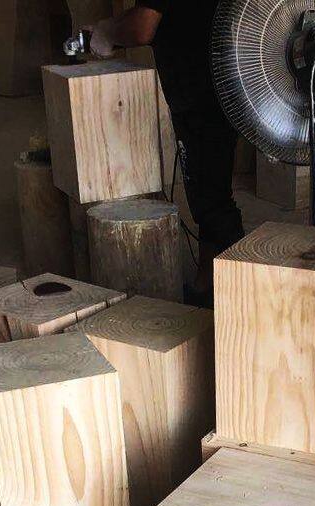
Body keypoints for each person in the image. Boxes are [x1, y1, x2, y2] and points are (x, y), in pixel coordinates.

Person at [89, 1, 244, 306]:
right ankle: (205, 284)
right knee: (209, 193)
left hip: (201, 86)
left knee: (213, 202)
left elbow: (143, 27)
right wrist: (112, 25)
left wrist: (110, 32)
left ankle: (240, 297)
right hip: (222, 76)